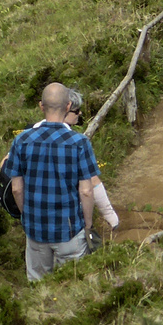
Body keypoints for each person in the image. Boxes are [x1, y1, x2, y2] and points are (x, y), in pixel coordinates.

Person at [3, 82, 98, 281]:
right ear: (68, 106)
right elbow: (87, 191)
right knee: (72, 284)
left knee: (38, 285)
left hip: (35, 229)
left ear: (41, 106)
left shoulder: (21, 140)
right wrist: (87, 225)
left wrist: (26, 217)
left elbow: (17, 189)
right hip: (70, 229)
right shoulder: (79, 143)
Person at [61, 90, 122, 240]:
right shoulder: (77, 142)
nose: (80, 113)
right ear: (66, 109)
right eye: (76, 111)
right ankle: (112, 219)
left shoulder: (30, 133)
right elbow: (91, 183)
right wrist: (103, 217)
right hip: (68, 220)